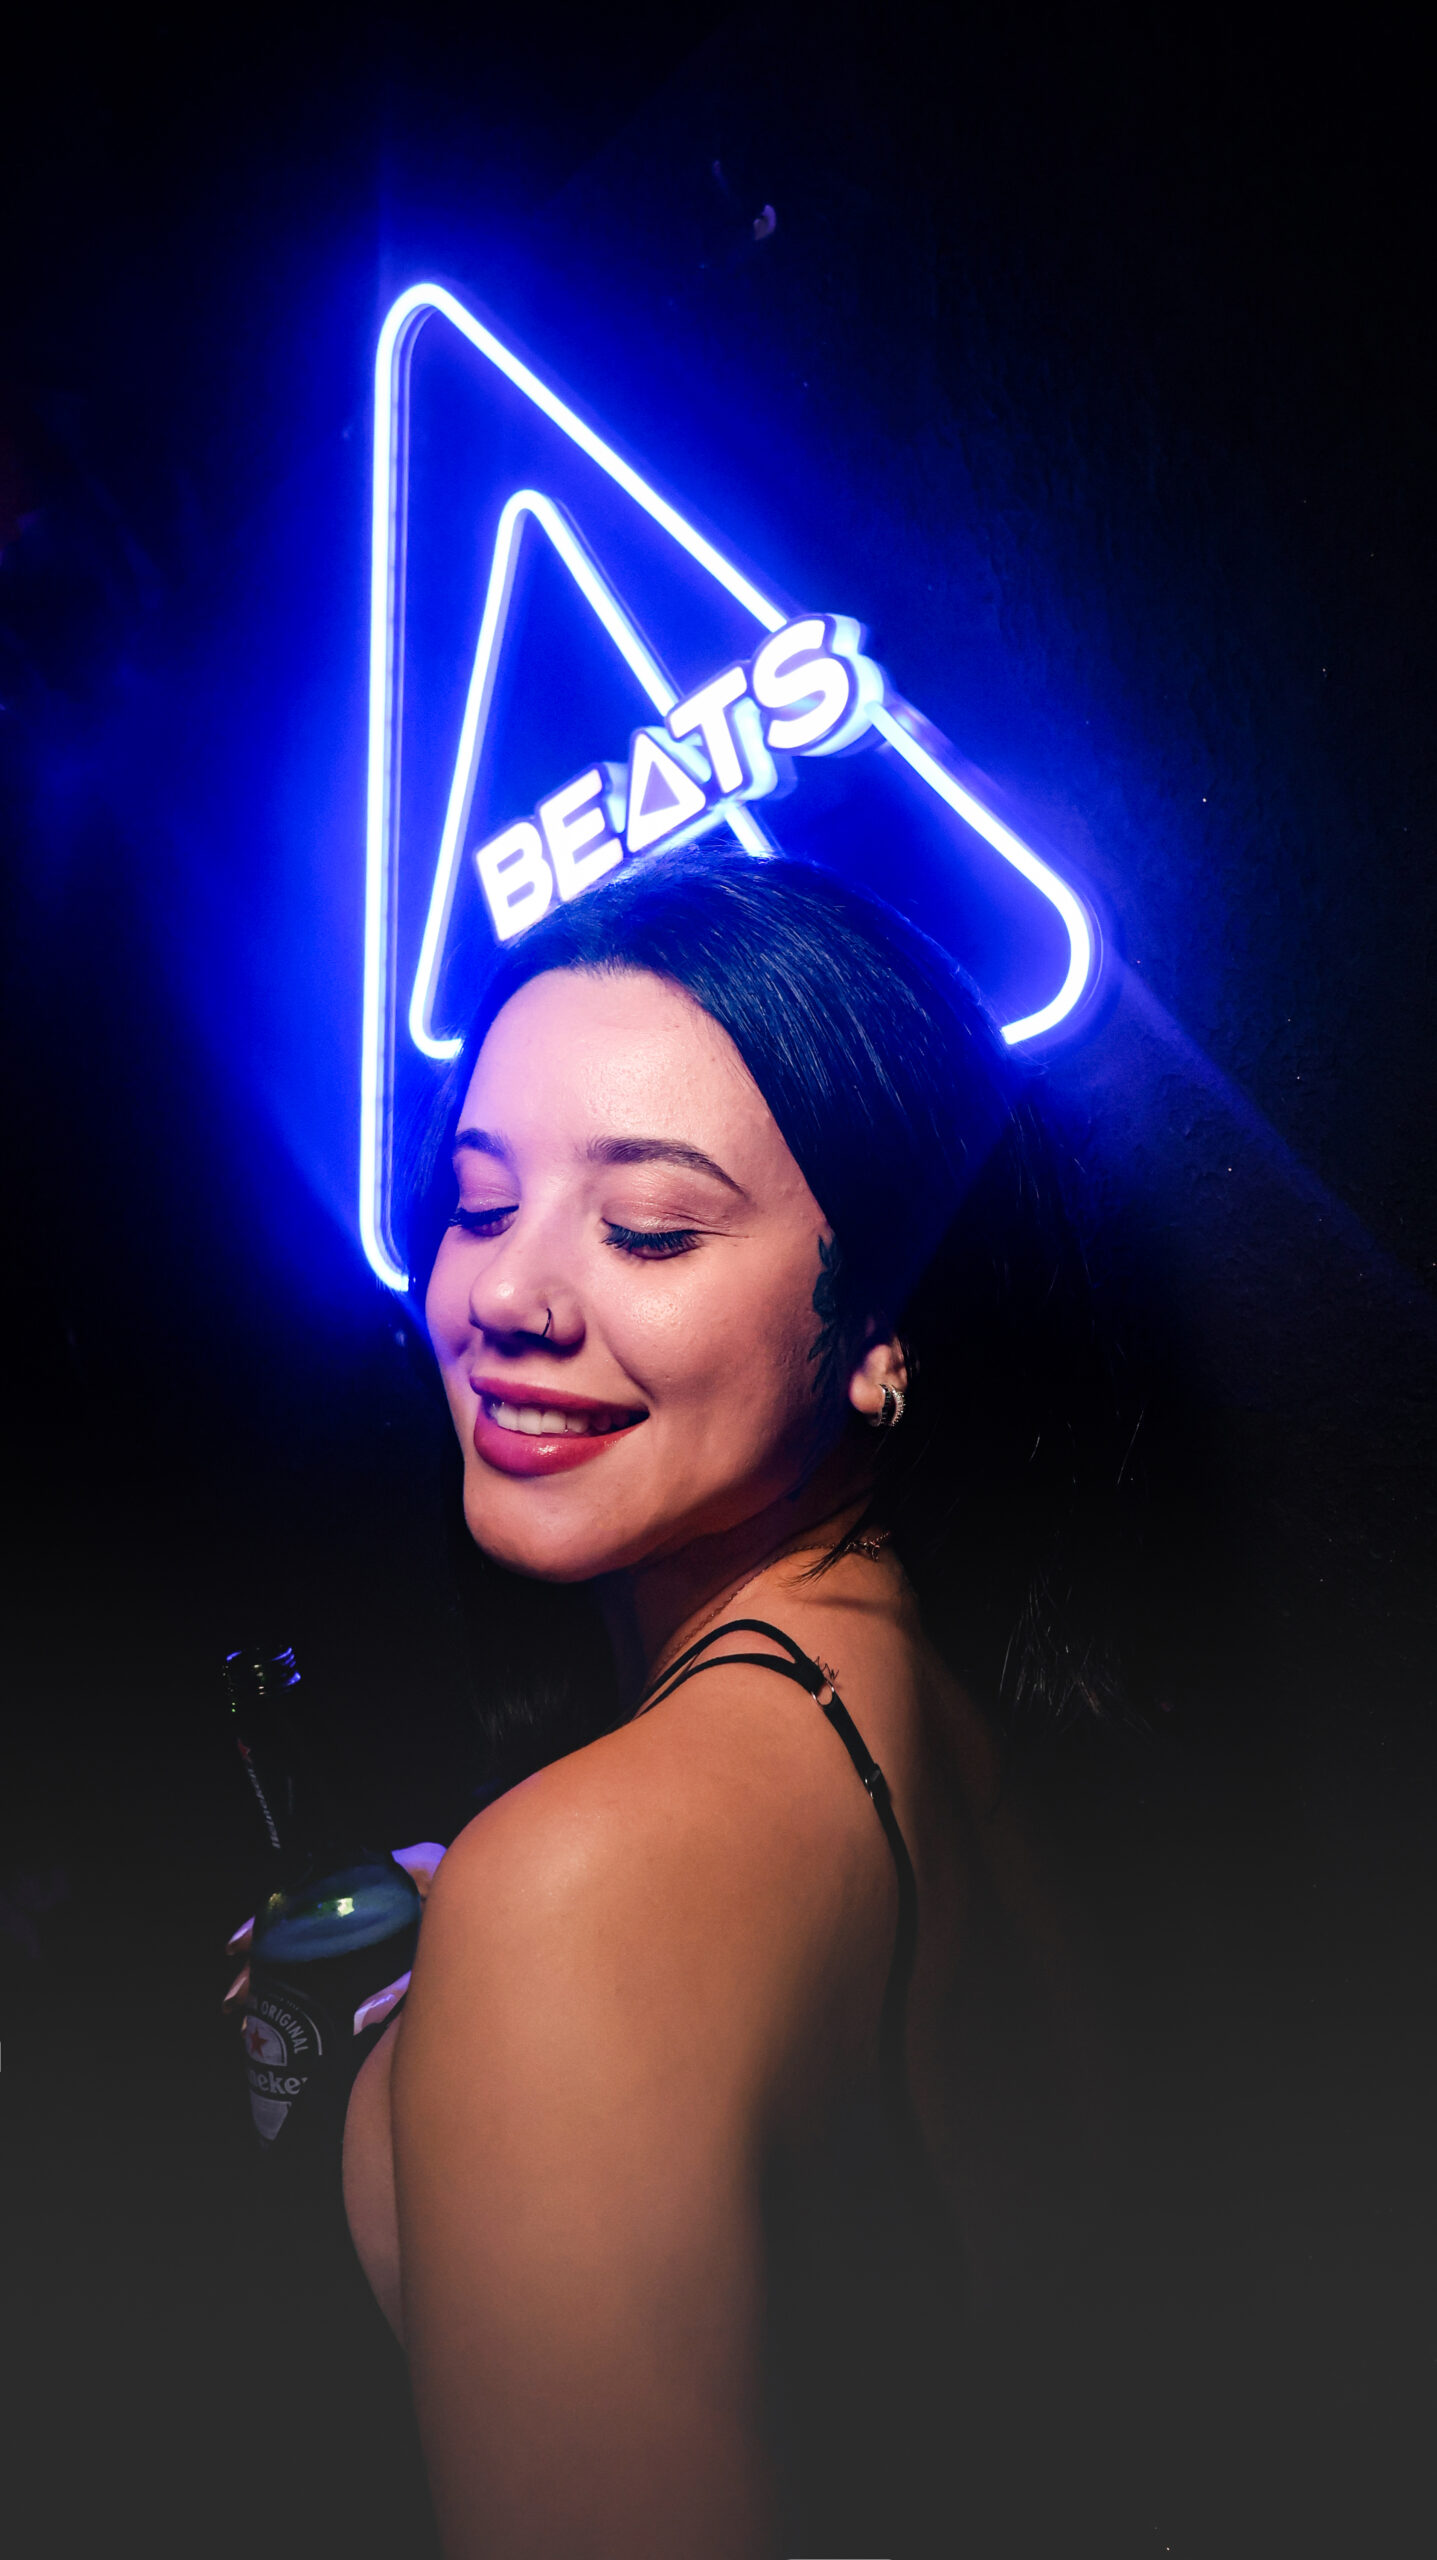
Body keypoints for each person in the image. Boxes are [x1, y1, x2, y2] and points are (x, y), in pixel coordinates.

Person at [339, 846, 1126, 2559]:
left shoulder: (587, 1884)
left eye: (646, 1228)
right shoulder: (927, 1695)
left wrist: (536, 1942)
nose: (506, 1298)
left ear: (881, 1321)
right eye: (478, 1203)